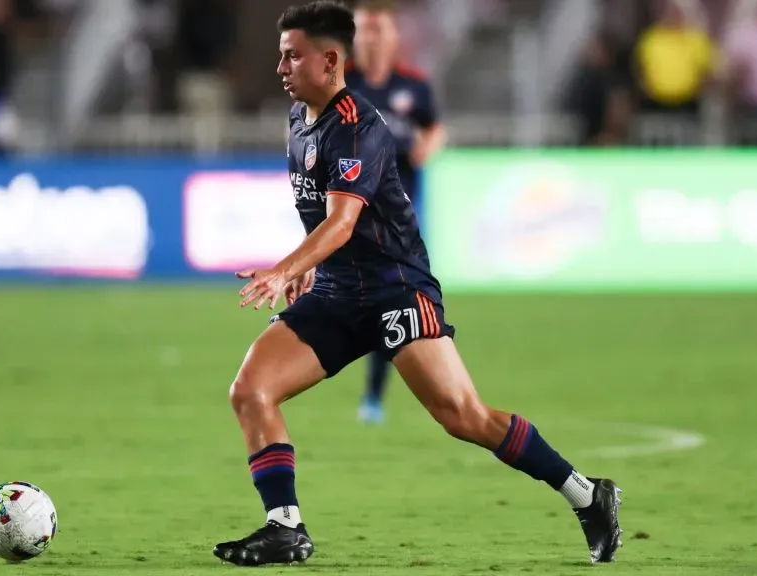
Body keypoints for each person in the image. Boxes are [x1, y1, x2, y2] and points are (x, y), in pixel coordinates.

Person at [212, 1, 622, 567]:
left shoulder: (358, 127)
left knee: (465, 417)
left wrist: (283, 267)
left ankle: (586, 494)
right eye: (280, 56)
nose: (280, 67)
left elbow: (343, 221)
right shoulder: (298, 121)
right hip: (337, 291)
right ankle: (284, 527)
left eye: (291, 56)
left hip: (394, 288)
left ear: (330, 60)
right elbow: (320, 216)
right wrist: (307, 266)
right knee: (251, 389)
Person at [344, 0, 445, 424]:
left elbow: (434, 127)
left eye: (379, 29)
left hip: (397, 219)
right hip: (350, 213)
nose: (372, 36)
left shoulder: (413, 85)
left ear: (393, 36)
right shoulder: (340, 81)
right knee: (367, 301)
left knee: (390, 302)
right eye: (365, 29)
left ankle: (374, 396)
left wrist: (427, 147)